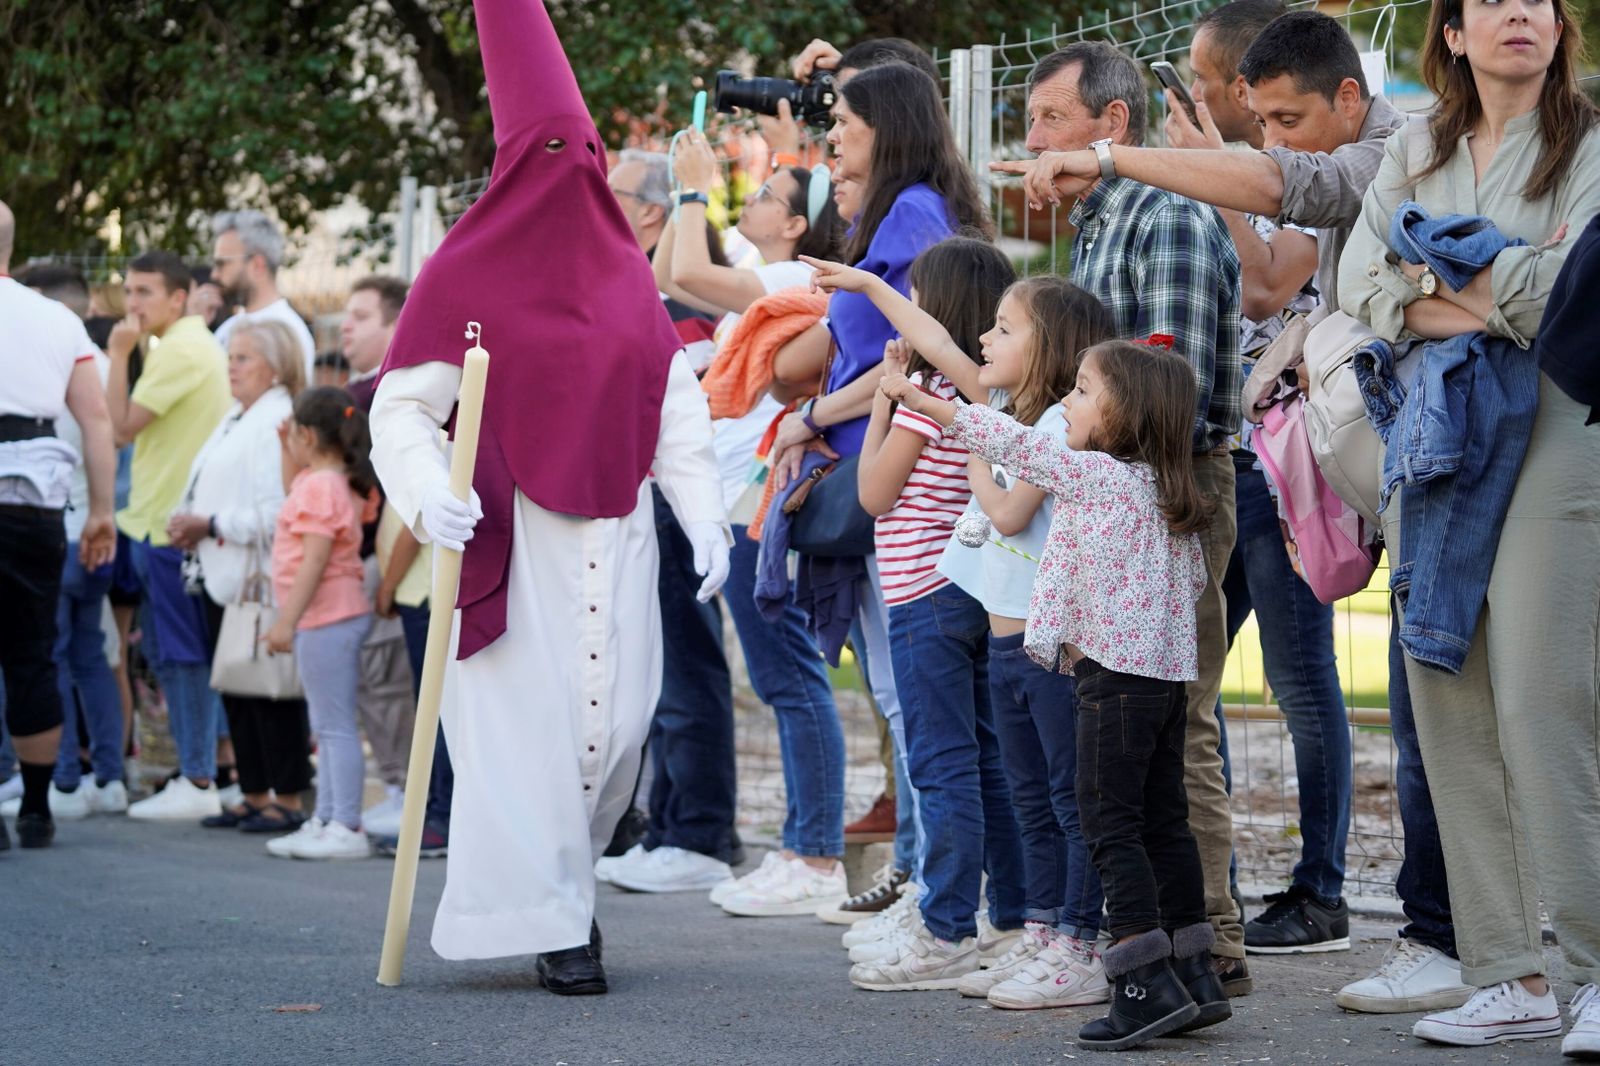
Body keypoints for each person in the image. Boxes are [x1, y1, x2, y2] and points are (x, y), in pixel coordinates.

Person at [369, 0, 728, 996]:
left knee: (611, 735)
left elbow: (676, 407)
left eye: (589, 151)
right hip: (511, 538)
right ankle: (561, 924)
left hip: (616, 537)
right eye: (556, 148)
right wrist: (423, 493)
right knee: (521, 741)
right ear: (522, 164)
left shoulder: (624, 275)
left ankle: (567, 894)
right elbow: (400, 408)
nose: (575, 167)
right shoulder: (462, 272)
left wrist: (703, 518)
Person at [1339, 0, 1600, 1051]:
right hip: (1435, 434)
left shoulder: (1587, 141)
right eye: (1489, 1)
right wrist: (1500, 274)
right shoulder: (1413, 144)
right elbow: (1359, 283)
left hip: (1557, 427)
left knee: (1544, 703)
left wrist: (1439, 277)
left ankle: (1591, 971)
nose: (1516, 15)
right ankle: (1507, 973)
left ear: (1555, 24)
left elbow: (1578, 298)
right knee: (1446, 700)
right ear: (1450, 32)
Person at [882, 340, 1230, 1050]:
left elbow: (1014, 442)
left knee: (1108, 825)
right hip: (1163, 682)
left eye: (1080, 391)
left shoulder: (1099, 477)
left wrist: (926, 403)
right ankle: (1194, 971)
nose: (1065, 403)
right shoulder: (1165, 494)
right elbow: (1191, 590)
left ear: (1121, 413)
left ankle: (1139, 982)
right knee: (1164, 823)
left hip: (1111, 680)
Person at [992, 40, 1247, 991]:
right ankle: (1154, 943)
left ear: (1113, 125)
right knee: (1133, 742)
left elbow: (1167, 405)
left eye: (1052, 119)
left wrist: (1053, 449)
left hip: (1165, 501)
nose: (1033, 141)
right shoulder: (1100, 223)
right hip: (1108, 500)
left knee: (1173, 728)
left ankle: (1207, 949)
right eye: (1029, 120)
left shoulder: (1167, 214)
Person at [760, 61, 992, 953]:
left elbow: (905, 356)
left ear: (886, 127)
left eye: (846, 124)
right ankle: (928, 887)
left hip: (894, 477)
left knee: (915, 704)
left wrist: (812, 413)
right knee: (905, 702)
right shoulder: (896, 213)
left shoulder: (911, 216)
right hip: (874, 469)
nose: (833, 140)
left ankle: (939, 903)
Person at [600, 128, 851, 905]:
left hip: (753, 494)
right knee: (780, 676)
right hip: (740, 492)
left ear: (796, 227)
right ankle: (803, 851)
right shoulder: (772, 274)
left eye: (772, 196)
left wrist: (694, 188)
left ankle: (813, 855)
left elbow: (681, 267)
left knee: (789, 675)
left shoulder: (780, 277)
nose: (756, 199)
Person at [807, 238, 1027, 991]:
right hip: (973, 592)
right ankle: (1011, 916)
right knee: (989, 759)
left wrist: (885, 396)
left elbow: (874, 494)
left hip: (921, 597)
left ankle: (946, 928)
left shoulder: (929, 396)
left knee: (940, 766)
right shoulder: (986, 394)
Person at [929, 278, 1120, 1011]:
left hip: (1051, 652)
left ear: (1049, 346)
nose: (986, 338)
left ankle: (1080, 944)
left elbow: (1007, 513)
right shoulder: (1013, 419)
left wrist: (973, 441)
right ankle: (1043, 934)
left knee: (1070, 802)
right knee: (1030, 799)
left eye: (1005, 329)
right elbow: (949, 354)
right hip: (1009, 650)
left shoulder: (1047, 433)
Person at [0, 200, 118, 850]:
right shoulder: (56, 319)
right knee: (30, 653)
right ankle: (38, 809)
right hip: (34, 501)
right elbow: (96, 419)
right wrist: (101, 512)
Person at [166, 320, 311, 834]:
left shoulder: (277, 418)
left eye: (244, 358)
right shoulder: (237, 415)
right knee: (237, 683)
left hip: (257, 575)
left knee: (270, 689)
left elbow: (280, 512)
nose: (232, 365)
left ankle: (288, 795)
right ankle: (253, 791)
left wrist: (210, 524)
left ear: (274, 367)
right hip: (219, 570)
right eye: (231, 356)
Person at [107, 252, 232, 821]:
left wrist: (117, 354)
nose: (132, 304)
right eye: (129, 291)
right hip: (164, 521)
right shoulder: (185, 344)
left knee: (181, 656)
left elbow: (119, 427)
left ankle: (199, 777)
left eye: (144, 292)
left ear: (178, 298)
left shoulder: (179, 347)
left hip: (168, 526)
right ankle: (206, 771)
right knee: (174, 652)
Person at [22, 266, 128, 818]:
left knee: (50, 656)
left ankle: (63, 780)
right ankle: (108, 776)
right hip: (96, 526)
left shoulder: (48, 362)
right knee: (89, 654)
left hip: (60, 525)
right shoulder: (105, 366)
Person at [261, 387, 378, 860]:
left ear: (305, 435)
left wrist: (286, 621)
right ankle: (327, 818)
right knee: (327, 726)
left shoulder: (319, 487)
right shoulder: (334, 481)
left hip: (325, 616)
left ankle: (345, 823)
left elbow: (313, 560)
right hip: (332, 615)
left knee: (332, 727)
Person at [339, 275, 423, 837]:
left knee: (393, 680)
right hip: (365, 559)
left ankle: (406, 789)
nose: (346, 326)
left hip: (396, 560)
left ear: (396, 325)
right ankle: (398, 784)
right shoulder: (355, 392)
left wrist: (386, 573)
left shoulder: (404, 391)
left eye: (362, 316)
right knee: (375, 681)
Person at [211, 210, 317, 384]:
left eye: (222, 263)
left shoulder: (287, 333)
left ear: (257, 265)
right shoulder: (228, 327)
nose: (215, 275)